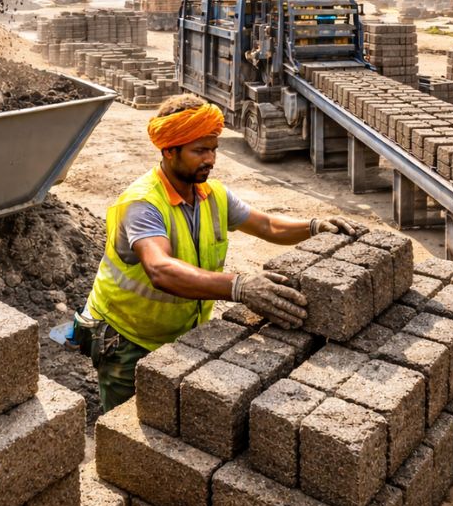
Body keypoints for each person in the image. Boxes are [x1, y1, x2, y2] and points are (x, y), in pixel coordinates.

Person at [71, 94, 361, 411]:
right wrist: (239, 286)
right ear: (169, 151)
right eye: (199, 150)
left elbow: (267, 225)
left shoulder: (213, 195)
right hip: (126, 339)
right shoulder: (142, 204)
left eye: (213, 149)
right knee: (129, 423)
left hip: (181, 334)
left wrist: (315, 225)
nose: (210, 159)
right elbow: (160, 270)